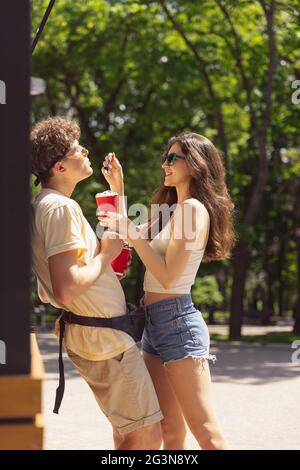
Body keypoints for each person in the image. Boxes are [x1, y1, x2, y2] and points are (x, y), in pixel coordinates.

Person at [31, 116, 162, 450]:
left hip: (94, 336)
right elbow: (65, 288)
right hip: (105, 341)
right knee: (146, 435)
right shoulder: (62, 208)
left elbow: (72, 279)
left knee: (127, 431)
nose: (85, 148)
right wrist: (105, 256)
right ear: (60, 166)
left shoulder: (43, 206)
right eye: (77, 147)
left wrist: (117, 192)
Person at [98, 132, 236, 450]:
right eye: (165, 157)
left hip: (177, 323)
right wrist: (118, 188)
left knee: (207, 433)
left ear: (196, 164)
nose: (165, 164)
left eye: (173, 158)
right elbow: (130, 237)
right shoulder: (172, 211)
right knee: (168, 430)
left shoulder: (193, 210)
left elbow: (169, 276)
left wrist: (130, 230)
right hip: (155, 323)